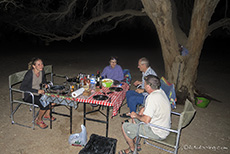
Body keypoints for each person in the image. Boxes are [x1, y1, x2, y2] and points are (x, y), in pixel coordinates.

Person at [119, 75, 171, 154]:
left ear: (148, 86)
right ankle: (137, 144)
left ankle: (132, 150)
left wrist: (136, 115)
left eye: (145, 84)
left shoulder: (152, 98)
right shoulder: (160, 91)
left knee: (125, 126)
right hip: (163, 126)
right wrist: (143, 109)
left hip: (157, 131)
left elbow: (146, 120)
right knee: (134, 118)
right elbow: (154, 107)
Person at [20, 57, 56, 129]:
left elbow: (43, 81)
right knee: (44, 104)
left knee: (54, 99)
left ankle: (47, 114)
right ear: (34, 66)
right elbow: (22, 87)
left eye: (42, 64)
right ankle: (39, 120)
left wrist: (45, 84)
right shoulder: (30, 74)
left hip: (39, 93)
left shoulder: (41, 71)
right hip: (29, 95)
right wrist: (37, 91)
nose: (41, 66)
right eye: (38, 64)